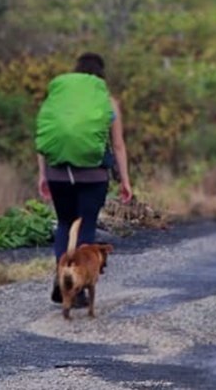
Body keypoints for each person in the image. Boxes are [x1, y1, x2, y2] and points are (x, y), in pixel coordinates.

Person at [36, 52, 134, 306]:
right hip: (93, 174)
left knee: (65, 223)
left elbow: (42, 139)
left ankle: (62, 276)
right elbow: (118, 145)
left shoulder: (58, 99)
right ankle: (77, 286)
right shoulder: (108, 102)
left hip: (58, 171)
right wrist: (125, 180)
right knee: (86, 226)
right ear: (101, 76)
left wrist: (43, 175)